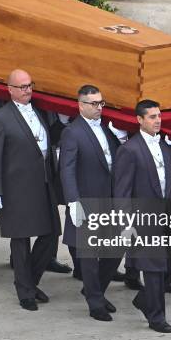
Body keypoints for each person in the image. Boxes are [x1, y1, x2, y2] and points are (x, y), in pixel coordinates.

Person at [0, 69, 61, 311]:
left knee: (51, 235)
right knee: (21, 241)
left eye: (30, 85)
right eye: (22, 87)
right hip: (16, 188)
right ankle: (24, 291)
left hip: (44, 184)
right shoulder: (0, 118)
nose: (28, 90)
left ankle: (31, 281)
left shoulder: (39, 111)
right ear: (10, 90)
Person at [113, 99, 171, 333]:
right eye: (152, 117)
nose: (157, 121)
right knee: (153, 268)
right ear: (140, 120)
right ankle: (156, 316)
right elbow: (122, 191)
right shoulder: (129, 150)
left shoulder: (165, 146)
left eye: (158, 116)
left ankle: (145, 300)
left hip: (167, 214)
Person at [59, 85, 121, 321]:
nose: (99, 108)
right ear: (81, 105)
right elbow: (67, 170)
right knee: (89, 256)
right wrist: (73, 202)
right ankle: (95, 302)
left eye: (101, 103)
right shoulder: (72, 132)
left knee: (114, 251)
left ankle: (95, 289)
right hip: (86, 201)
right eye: (94, 104)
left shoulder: (105, 128)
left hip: (109, 201)